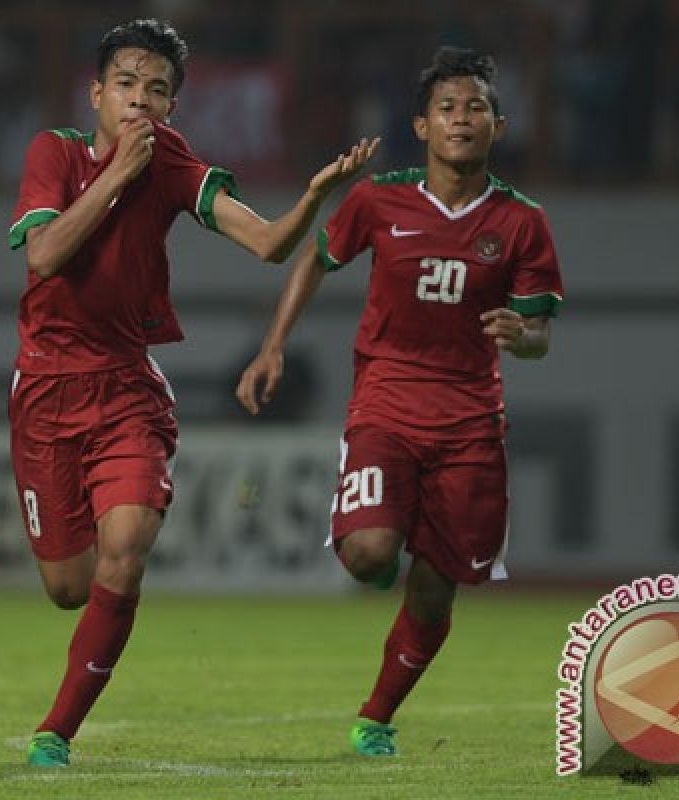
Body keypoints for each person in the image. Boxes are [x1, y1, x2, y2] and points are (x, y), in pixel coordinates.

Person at [7, 18, 377, 767]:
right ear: (96, 93)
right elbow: (44, 255)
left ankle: (56, 732)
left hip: (125, 392)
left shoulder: (172, 162)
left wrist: (313, 198)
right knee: (68, 587)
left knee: (127, 546)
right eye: (126, 85)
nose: (140, 101)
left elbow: (269, 244)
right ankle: (66, 699)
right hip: (45, 390)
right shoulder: (56, 153)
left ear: (173, 107)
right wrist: (114, 177)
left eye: (157, 90)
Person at [236, 46, 564, 757]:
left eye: (476, 106)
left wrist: (524, 333)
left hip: (473, 421)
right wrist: (273, 345)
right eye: (447, 107)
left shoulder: (521, 222)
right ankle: (382, 544)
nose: (461, 118)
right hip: (385, 402)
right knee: (367, 554)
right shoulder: (379, 200)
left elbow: (539, 333)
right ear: (422, 126)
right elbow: (316, 259)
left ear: (498, 126)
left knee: (438, 589)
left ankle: (375, 717)